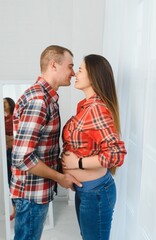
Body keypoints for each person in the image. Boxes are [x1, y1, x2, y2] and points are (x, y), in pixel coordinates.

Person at [10, 45, 82, 240]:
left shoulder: (46, 98)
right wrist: (60, 177)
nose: (73, 73)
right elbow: (23, 158)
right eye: (70, 66)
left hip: (31, 194)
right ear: (53, 65)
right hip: (31, 195)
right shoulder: (39, 100)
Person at [61, 54, 127, 240]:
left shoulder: (96, 108)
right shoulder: (85, 107)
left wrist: (78, 163)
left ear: (94, 76)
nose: (75, 74)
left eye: (80, 70)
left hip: (96, 192)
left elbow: (116, 154)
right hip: (86, 190)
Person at [4, 97, 16, 221]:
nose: (3, 104)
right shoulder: (2, 119)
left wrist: (9, 140)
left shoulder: (14, 117)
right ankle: (15, 209)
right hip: (5, 150)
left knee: (16, 178)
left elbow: (16, 136)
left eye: (5, 102)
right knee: (8, 180)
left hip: (13, 150)